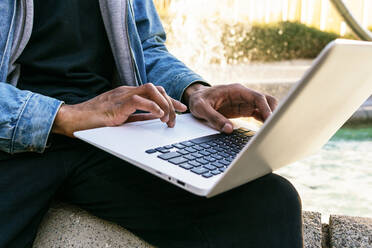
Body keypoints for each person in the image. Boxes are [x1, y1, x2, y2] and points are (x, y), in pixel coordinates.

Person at [0, 0, 303, 247]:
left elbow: (145, 46)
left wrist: (194, 91)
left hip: (111, 133)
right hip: (12, 141)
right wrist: (65, 116)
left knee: (267, 202)